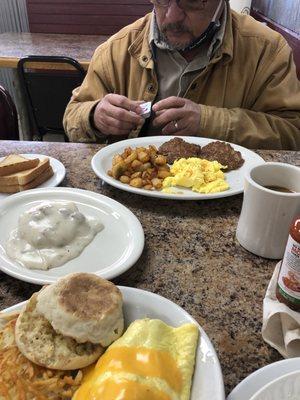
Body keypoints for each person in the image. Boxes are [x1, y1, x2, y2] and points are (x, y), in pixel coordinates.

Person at [63, 0, 300, 149]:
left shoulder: (267, 51)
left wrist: (207, 122)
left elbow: (292, 133)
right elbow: (73, 115)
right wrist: (95, 116)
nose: (172, 17)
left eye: (193, 1)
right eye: (162, 0)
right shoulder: (117, 48)